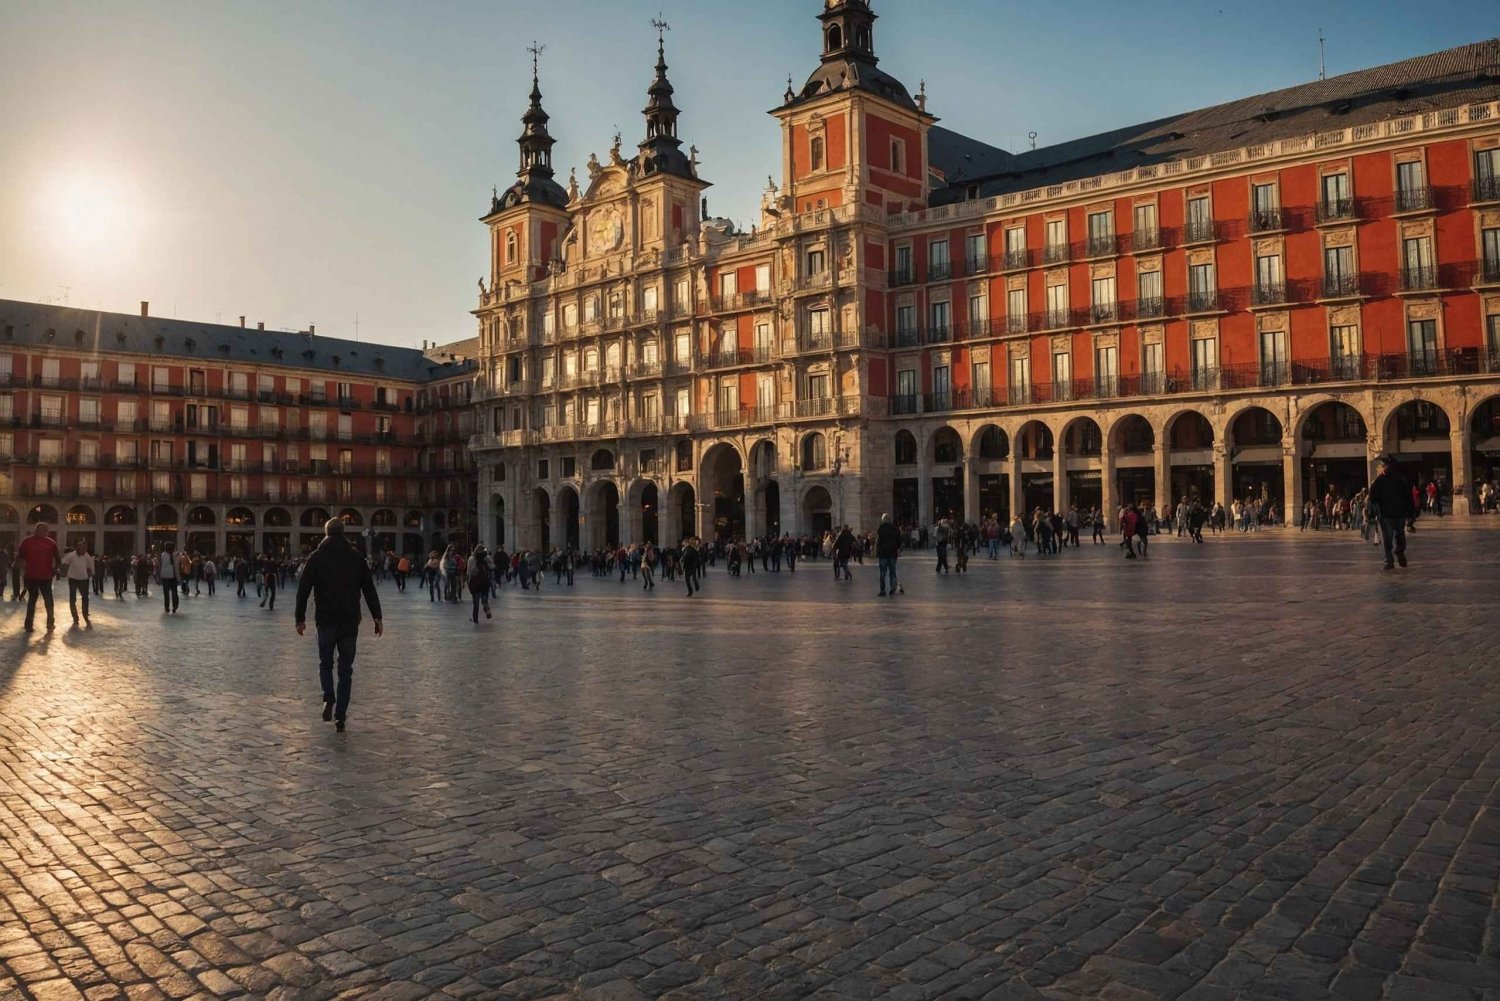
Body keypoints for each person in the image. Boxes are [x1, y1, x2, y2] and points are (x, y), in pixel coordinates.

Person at [295, 519, 383, 732]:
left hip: (325, 620)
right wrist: (377, 617)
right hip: (350, 621)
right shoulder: (355, 557)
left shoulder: (316, 557)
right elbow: (369, 589)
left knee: (325, 664)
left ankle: (328, 697)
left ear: (326, 533)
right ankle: (341, 716)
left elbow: (303, 589)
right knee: (346, 670)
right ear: (343, 533)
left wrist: (300, 618)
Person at [1369, 455, 1415, 571]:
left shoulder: (1380, 481)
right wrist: (1410, 512)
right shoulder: (1400, 479)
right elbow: (1408, 496)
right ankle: (1398, 552)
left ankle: (1389, 560)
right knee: (1399, 535)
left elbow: (1373, 497)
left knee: (1388, 538)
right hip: (1397, 513)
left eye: (1383, 465)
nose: (1382, 467)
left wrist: (1373, 513)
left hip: (1387, 514)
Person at [18, 523, 62, 632]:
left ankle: (50, 623)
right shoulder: (27, 542)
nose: (42, 532)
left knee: (49, 601)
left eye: (44, 530)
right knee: (32, 600)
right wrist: (21, 567)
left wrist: (56, 569)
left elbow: (58, 558)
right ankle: (29, 624)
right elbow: (20, 556)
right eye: (40, 530)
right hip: (31, 576)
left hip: (46, 577)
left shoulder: (51, 543)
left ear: (47, 532)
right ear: (36, 530)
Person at [61, 539, 96, 628]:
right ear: (77, 547)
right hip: (73, 579)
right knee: (72, 598)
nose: (83, 550)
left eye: (85, 548)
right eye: (82, 548)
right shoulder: (71, 555)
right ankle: (75, 616)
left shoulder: (88, 557)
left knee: (85, 598)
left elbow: (92, 569)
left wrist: (88, 575)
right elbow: (64, 562)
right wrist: (64, 571)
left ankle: (85, 615)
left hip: (83, 580)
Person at [876, 513, 903, 597]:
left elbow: (878, 542)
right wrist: (897, 549)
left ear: (883, 520)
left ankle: (882, 590)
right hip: (892, 554)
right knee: (892, 572)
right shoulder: (895, 529)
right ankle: (892, 588)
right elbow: (899, 542)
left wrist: (877, 552)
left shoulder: (881, 528)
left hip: (883, 554)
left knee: (883, 573)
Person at [468, 544, 492, 623]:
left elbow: (469, 572)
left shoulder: (471, 559)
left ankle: (475, 619)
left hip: (475, 583)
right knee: (484, 599)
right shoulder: (486, 558)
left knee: (476, 602)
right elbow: (491, 568)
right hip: (484, 582)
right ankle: (486, 608)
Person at [157, 543, 180, 613]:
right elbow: (176, 567)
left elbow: (159, 565)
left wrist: (159, 576)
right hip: (173, 575)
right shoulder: (176, 555)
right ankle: (175, 606)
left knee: (166, 593)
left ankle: (167, 607)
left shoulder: (162, 555)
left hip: (164, 575)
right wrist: (178, 576)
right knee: (174, 592)